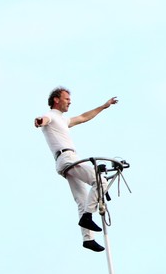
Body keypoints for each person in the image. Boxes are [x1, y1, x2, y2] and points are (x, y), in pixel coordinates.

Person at [35, 87, 118, 251]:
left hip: (63, 161)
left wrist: (103, 106)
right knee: (99, 180)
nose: (69, 102)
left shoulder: (63, 120)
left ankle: (88, 239)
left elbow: (83, 117)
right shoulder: (51, 115)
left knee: (82, 200)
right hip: (67, 158)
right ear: (56, 100)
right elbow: (43, 119)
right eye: (66, 99)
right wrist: (39, 121)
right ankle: (87, 216)